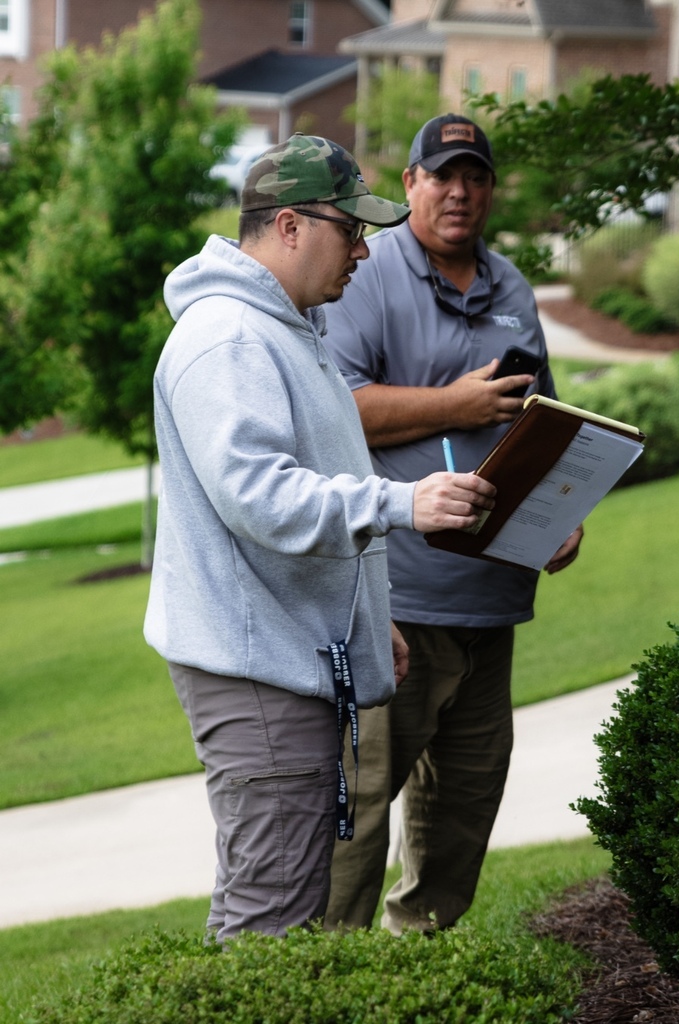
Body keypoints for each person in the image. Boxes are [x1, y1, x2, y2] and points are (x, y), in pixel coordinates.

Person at [143, 133, 496, 943]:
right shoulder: (230, 338)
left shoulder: (285, 328)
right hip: (256, 671)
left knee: (274, 903)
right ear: (293, 226)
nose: (366, 253)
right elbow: (261, 499)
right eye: (352, 230)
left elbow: (300, 484)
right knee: (274, 919)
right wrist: (405, 503)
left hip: (284, 657)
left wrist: (371, 620)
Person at [322, 114, 584, 934]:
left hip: (489, 604)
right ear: (409, 185)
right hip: (396, 601)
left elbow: (533, 425)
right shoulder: (365, 278)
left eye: (474, 175)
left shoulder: (510, 288)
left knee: (459, 821)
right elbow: (338, 413)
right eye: (441, 175)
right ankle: (318, 981)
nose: (459, 191)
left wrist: (555, 514)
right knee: (355, 826)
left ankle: (424, 982)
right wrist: (454, 402)